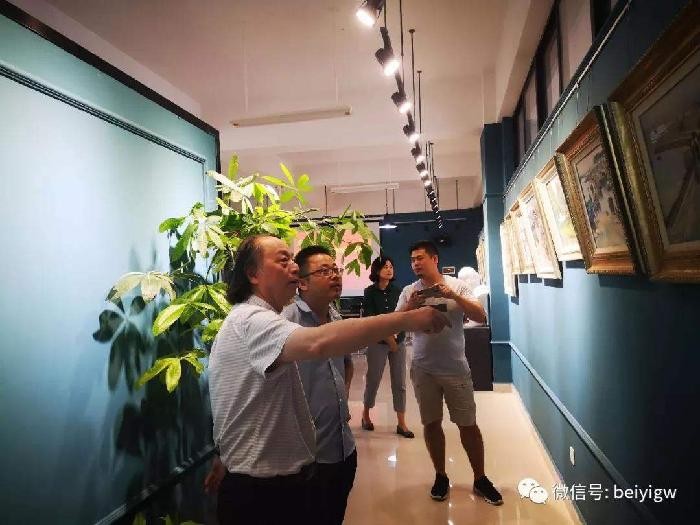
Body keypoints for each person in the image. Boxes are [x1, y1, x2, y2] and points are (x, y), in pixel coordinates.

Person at [206, 235, 450, 524]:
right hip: (261, 489)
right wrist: (409, 319)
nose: (293, 268)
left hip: (287, 473)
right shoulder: (252, 320)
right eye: (283, 261)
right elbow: (317, 343)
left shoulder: (266, 317)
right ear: (253, 274)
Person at [396, 240, 503, 506]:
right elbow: (396, 323)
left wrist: (453, 296)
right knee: (431, 424)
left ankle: (480, 478)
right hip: (423, 369)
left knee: (468, 425)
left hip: (455, 368)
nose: (415, 263)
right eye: (412, 259)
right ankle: (441, 476)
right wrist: (410, 306)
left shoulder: (458, 286)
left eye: (420, 258)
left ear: (434, 259)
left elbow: (480, 316)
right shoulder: (410, 291)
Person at [361, 255, 414, 438]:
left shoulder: (398, 291)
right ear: (377, 270)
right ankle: (366, 415)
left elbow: (402, 315)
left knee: (400, 382)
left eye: (391, 266)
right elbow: (371, 318)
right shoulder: (369, 292)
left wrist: (395, 338)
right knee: (373, 379)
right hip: (377, 342)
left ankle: (401, 423)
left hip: (399, 341)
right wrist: (388, 337)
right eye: (385, 267)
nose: (389, 270)